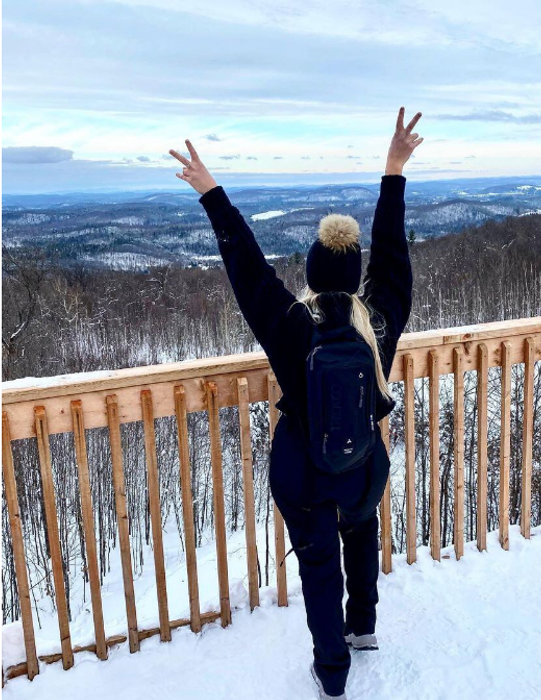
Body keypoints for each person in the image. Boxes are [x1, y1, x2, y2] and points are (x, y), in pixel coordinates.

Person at [171, 108, 423, 700]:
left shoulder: (290, 324)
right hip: (362, 464)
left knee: (319, 566)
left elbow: (248, 269)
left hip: (304, 472)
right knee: (361, 531)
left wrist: (212, 193)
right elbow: (392, 259)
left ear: (310, 272)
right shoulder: (377, 324)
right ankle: (363, 628)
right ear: (355, 276)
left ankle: (332, 674)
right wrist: (393, 170)